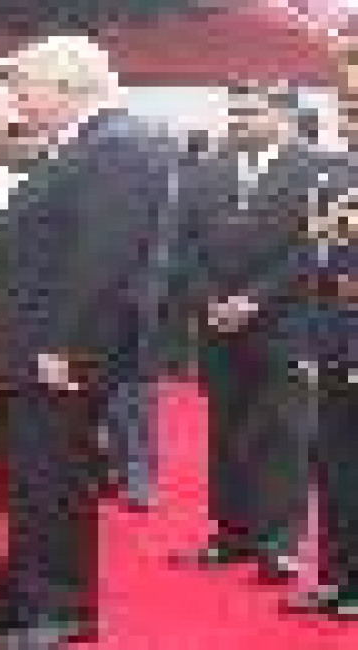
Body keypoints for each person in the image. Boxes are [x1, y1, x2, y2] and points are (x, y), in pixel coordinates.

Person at [0, 35, 178, 650]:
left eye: (23, 84)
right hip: (33, 342)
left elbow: (102, 260)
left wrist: (65, 345)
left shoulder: (120, 145)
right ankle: (21, 599)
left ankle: (60, 610)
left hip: (60, 349)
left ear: (68, 86)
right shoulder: (82, 142)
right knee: (28, 477)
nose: (15, 97)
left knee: (54, 478)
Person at [174, 83, 327, 583]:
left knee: (283, 433)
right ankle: (231, 534)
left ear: (283, 116)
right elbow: (182, 243)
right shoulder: (206, 170)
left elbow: (312, 248)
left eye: (250, 113)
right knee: (226, 429)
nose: (238, 121)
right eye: (234, 113)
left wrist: (255, 299)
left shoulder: (317, 171)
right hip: (217, 320)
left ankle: (278, 545)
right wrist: (209, 299)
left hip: (285, 321)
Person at [282, 184, 358, 619]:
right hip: (332, 353)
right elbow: (320, 282)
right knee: (332, 471)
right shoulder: (335, 191)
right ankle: (334, 578)